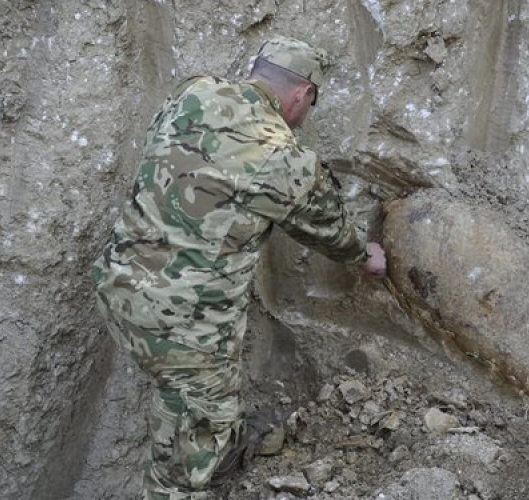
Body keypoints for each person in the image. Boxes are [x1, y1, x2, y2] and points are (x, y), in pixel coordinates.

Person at [92, 36, 387, 499]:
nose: (306, 116)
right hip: (181, 325)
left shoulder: (194, 91)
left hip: (117, 286)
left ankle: (218, 439)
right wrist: (365, 255)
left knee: (186, 399)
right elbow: (328, 229)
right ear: (302, 94)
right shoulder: (282, 155)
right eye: (311, 104)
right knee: (184, 464)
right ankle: (191, 467)